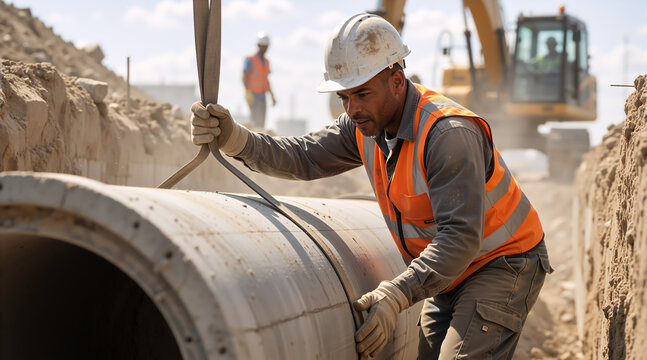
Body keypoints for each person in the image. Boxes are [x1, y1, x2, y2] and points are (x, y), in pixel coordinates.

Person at [191, 13, 552, 359]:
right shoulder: (364, 125)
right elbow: (305, 156)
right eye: (343, 97)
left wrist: (396, 294)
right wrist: (235, 140)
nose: (351, 108)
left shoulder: (447, 135)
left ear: (397, 81)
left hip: (503, 262)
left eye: (362, 93)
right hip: (452, 271)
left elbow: (459, 236)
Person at [242, 32, 276, 128]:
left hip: (262, 95)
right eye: (262, 46)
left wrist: (271, 94)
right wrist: (247, 91)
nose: (264, 48)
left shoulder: (266, 61)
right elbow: (244, 76)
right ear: (258, 45)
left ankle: (260, 138)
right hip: (253, 94)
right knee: (255, 119)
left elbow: (265, 79)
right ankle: (253, 140)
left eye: (266, 46)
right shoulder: (250, 59)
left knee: (262, 121)